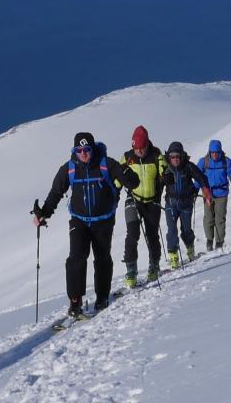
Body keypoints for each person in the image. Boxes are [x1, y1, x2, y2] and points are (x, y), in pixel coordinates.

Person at [34, 132, 139, 318]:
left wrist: (129, 176)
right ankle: (75, 301)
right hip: (79, 220)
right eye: (79, 150)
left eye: (86, 149)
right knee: (76, 258)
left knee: (102, 259)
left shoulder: (107, 164)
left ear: (93, 149)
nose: (83, 153)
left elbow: (132, 182)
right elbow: (56, 192)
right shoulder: (69, 168)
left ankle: (102, 297)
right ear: (74, 151)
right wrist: (44, 213)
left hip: (104, 220)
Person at [121, 126, 166, 286]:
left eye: (141, 148)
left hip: (152, 201)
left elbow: (164, 168)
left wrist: (165, 176)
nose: (139, 151)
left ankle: (154, 266)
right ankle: (131, 270)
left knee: (152, 235)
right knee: (132, 233)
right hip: (133, 199)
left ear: (147, 144)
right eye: (136, 148)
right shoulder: (127, 157)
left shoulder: (156, 154)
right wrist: (114, 188)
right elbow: (118, 174)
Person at [161, 141, 212, 268]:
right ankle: (173, 255)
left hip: (186, 203)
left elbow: (201, 178)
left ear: (182, 156)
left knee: (186, 229)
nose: (175, 159)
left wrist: (205, 190)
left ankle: (190, 248)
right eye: (172, 157)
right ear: (169, 157)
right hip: (171, 203)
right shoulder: (165, 168)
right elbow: (157, 185)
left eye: (177, 156)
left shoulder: (188, 166)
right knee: (172, 230)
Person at [201, 139, 231, 249]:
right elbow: (198, 175)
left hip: (221, 193)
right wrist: (194, 188)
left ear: (220, 151)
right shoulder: (204, 161)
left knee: (220, 219)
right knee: (208, 218)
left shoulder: (226, 161)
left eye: (216, 152)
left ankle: (219, 242)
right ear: (209, 151)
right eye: (212, 152)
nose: (214, 154)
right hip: (208, 193)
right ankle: (209, 241)